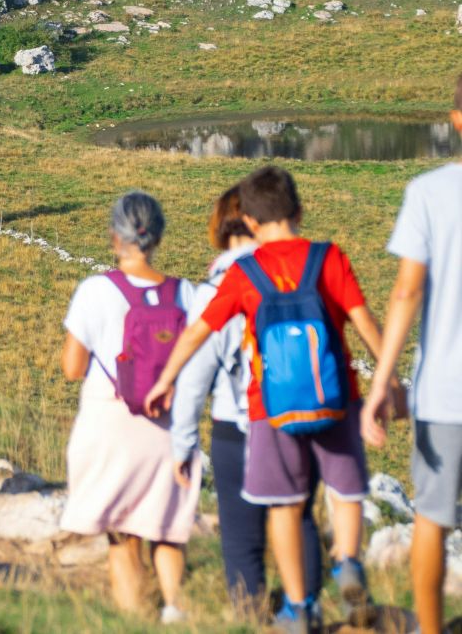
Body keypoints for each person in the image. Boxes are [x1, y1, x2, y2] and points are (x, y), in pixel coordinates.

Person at [144, 165, 388, 634]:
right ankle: (349, 562)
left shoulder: (243, 274)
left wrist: (167, 378)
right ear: (299, 210)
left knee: (283, 505)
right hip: (336, 399)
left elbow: (200, 332)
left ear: (250, 222)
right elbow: (364, 320)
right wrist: (386, 382)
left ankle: (298, 607)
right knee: (345, 489)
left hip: (267, 408)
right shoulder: (329, 258)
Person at [170, 186, 323, 614]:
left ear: (220, 226)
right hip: (301, 419)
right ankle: (307, 610)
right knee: (300, 521)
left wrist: (183, 444)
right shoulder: (299, 274)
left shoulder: (218, 286)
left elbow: (194, 378)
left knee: (243, 542)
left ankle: (249, 617)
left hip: (237, 427)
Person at [61, 190, 201, 624]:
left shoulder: (94, 291)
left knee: (123, 533)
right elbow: (198, 362)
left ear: (113, 237)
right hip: (167, 423)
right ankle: (175, 610)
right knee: (166, 530)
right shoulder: (186, 294)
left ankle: (132, 620)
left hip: (111, 423)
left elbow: (71, 368)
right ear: (157, 236)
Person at [361, 75, 462, 634]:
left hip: (445, 390)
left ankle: (428, 628)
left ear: (455, 121)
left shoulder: (428, 192)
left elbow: (405, 292)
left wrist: (382, 383)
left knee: (433, 516)